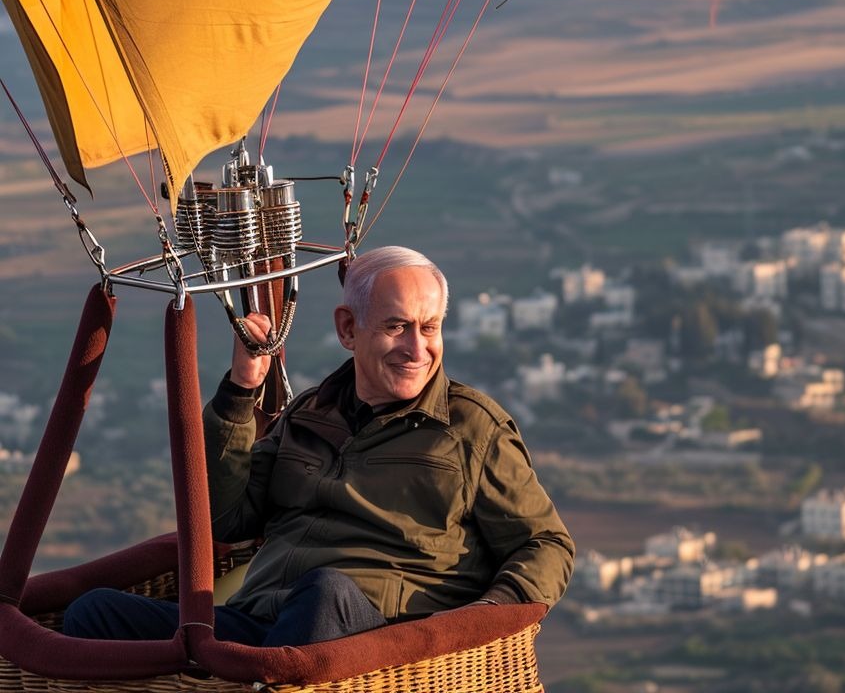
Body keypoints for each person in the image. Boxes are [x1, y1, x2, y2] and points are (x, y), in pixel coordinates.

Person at [64, 245, 574, 647]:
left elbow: (546, 545)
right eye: (397, 327)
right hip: (261, 621)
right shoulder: (308, 414)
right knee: (94, 613)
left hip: (374, 634)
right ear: (348, 329)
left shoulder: (472, 428)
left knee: (323, 592)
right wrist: (242, 389)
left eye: (430, 327)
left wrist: (479, 621)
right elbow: (225, 518)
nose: (417, 349)